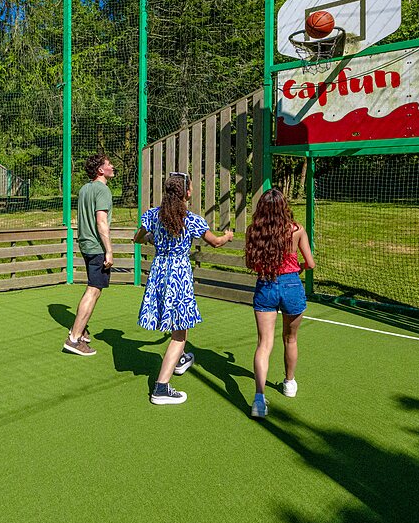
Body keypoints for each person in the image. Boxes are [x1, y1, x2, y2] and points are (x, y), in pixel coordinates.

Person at [134, 172, 233, 404]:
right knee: (180, 333)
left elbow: (138, 238)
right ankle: (161, 387)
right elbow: (216, 242)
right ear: (187, 192)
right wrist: (227, 236)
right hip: (179, 274)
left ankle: (178, 360)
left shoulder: (152, 216)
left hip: (159, 270)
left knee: (174, 322)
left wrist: (151, 238)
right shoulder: (192, 220)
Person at [244, 189, 315, 418]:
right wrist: (297, 269)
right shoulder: (296, 230)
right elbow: (310, 264)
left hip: (265, 285)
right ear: (284, 206)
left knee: (264, 344)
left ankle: (258, 398)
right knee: (290, 338)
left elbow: (250, 263)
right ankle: (289, 382)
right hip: (292, 285)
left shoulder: (254, 231)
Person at [64, 153, 116, 356]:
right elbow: (101, 221)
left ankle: (81, 330)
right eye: (109, 164)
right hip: (96, 247)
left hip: (85, 245)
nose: (112, 167)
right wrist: (109, 251)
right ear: (101, 170)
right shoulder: (103, 190)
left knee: (93, 289)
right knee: (93, 290)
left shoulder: (85, 189)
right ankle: (74, 338)